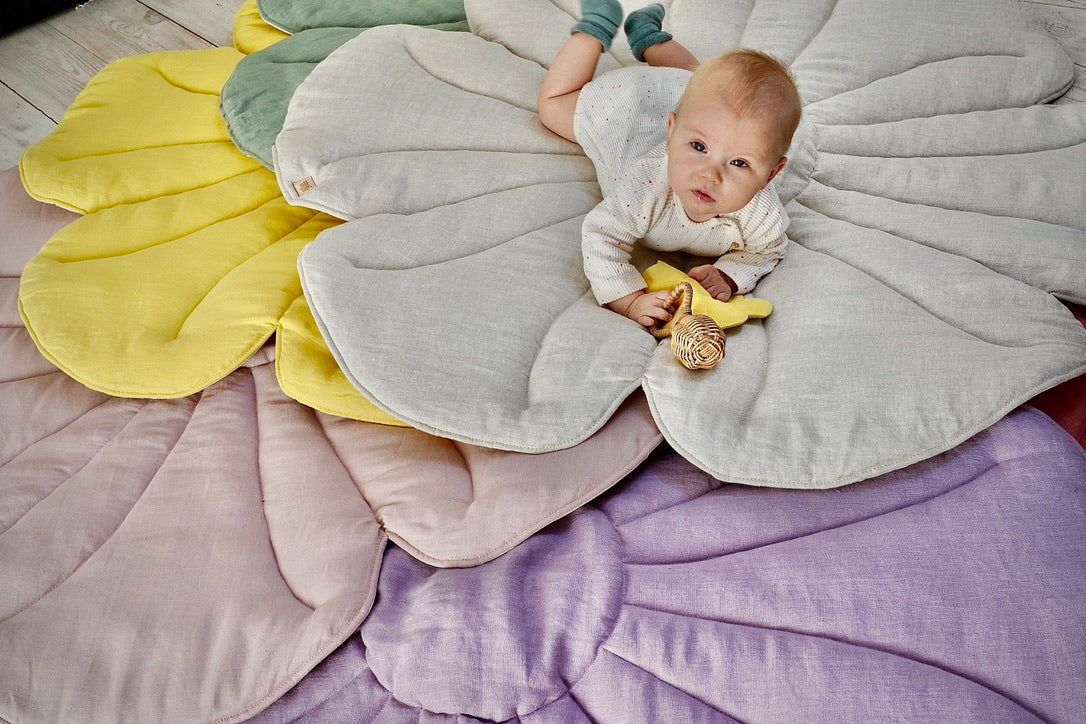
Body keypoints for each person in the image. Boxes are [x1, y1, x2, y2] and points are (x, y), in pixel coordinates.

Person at [538, 1, 802, 328]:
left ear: (771, 174)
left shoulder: (762, 214)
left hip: (690, 105)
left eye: (738, 162)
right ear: (672, 132)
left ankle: (648, 36)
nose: (710, 174)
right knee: (552, 107)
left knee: (698, 82)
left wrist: (729, 276)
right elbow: (601, 235)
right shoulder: (647, 185)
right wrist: (629, 299)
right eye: (698, 147)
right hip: (631, 113)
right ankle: (595, 31)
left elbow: (767, 251)